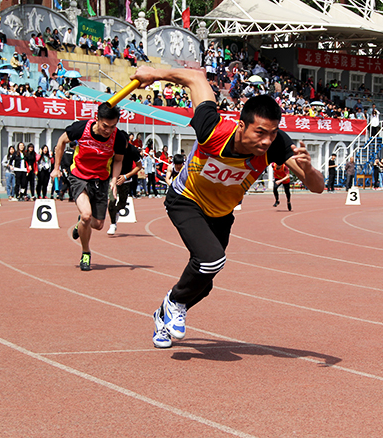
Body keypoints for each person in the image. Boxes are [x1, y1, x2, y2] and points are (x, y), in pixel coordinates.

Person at [130, 66, 324, 348]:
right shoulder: (212, 128)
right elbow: (195, 77)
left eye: (272, 133)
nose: (266, 141)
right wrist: (154, 74)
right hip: (187, 199)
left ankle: (164, 314)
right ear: (242, 126)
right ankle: (174, 302)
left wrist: (309, 169)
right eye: (260, 132)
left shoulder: (276, 145)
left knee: (204, 283)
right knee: (211, 260)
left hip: (221, 214)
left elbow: (317, 187)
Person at [51, 103, 126, 271]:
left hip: (101, 179)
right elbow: (61, 141)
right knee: (86, 215)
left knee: (98, 224)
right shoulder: (81, 128)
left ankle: (81, 224)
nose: (108, 130)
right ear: (97, 118)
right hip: (79, 175)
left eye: (113, 126)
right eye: (105, 126)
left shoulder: (119, 138)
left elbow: (118, 160)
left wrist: (114, 180)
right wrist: (56, 168)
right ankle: (86, 252)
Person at [107, 140, 142, 235]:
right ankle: (113, 224)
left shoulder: (133, 150)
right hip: (113, 178)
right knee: (112, 200)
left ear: (127, 142)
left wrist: (126, 176)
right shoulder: (112, 147)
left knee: (122, 204)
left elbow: (139, 166)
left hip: (126, 179)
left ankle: (116, 211)